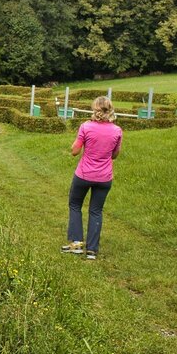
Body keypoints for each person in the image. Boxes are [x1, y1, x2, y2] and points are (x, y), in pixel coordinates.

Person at [61, 96, 123, 260]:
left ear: (94, 109)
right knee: (96, 210)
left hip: (84, 174)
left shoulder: (86, 126)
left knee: (75, 205)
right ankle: (92, 250)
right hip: (104, 177)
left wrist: (74, 145)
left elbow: (75, 151)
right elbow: (115, 155)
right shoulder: (117, 130)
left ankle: (76, 243)